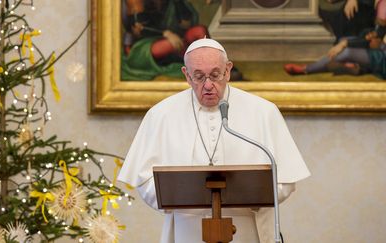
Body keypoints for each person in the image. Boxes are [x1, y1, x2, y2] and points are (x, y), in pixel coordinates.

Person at [118, 38, 310, 243]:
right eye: (199, 77)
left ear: (228, 70)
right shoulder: (161, 115)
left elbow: (286, 180)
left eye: (215, 75)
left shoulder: (263, 112)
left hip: (247, 229)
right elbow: (145, 180)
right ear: (186, 75)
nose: (208, 85)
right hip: (187, 231)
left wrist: (253, 196)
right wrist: (179, 198)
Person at [285, 0, 386, 78]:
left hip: (382, 58)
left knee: (347, 52)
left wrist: (345, 44)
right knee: (348, 40)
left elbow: (378, 39)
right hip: (377, 48)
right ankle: (357, 66)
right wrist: (370, 34)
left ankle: (306, 69)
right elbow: (377, 33)